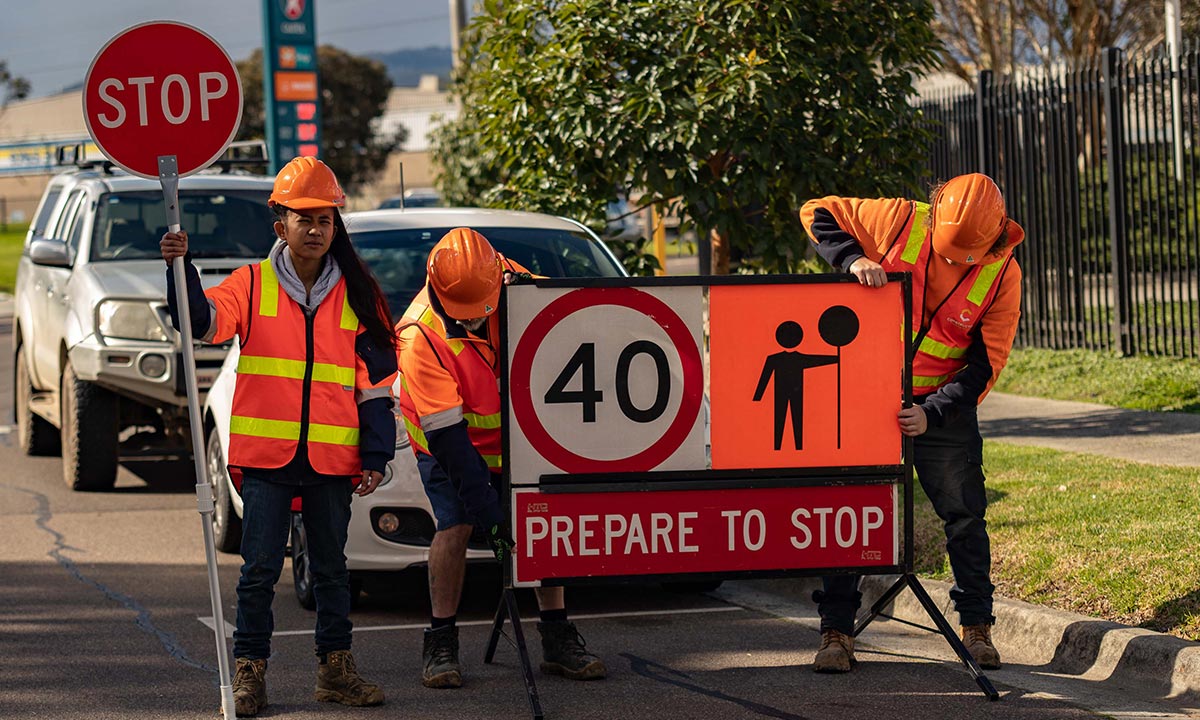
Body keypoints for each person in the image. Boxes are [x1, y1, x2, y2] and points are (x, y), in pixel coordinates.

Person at [161, 157, 397, 716]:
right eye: (304, 218)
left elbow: (376, 384)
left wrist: (377, 451)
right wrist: (181, 266)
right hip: (266, 456)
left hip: (333, 457)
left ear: (337, 226)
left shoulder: (360, 294)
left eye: (326, 219)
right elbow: (199, 323)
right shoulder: (251, 284)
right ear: (280, 226)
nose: (316, 229)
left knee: (333, 570)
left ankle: (335, 673)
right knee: (260, 569)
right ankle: (250, 677)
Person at [799, 172, 1024, 673]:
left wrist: (931, 412)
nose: (951, 264)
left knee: (965, 517)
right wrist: (854, 258)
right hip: (868, 395)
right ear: (936, 209)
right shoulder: (900, 219)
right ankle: (836, 633)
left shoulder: (1003, 272)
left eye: (962, 257)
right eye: (947, 253)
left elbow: (986, 365)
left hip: (937, 409)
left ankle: (977, 629)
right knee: (850, 514)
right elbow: (818, 209)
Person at [396, 227, 607, 689]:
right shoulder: (418, 339)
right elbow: (452, 445)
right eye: (466, 317)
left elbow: (565, 322)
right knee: (455, 524)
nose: (476, 321)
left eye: (483, 312)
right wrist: (492, 517)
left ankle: (556, 637)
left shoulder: (511, 280)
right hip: (449, 444)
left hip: (518, 435)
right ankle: (441, 641)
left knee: (543, 519)